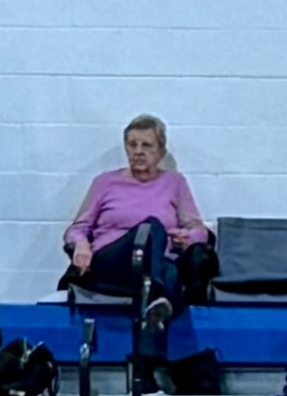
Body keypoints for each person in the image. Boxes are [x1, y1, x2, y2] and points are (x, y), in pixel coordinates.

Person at [64, 112, 211, 332]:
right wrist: (82, 244)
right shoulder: (105, 183)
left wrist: (188, 238)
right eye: (133, 145)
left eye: (147, 145)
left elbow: (199, 230)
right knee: (150, 228)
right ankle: (156, 296)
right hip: (113, 261)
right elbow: (77, 229)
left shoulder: (175, 182)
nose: (138, 152)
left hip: (157, 264)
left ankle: (153, 334)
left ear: (160, 151)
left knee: (172, 271)